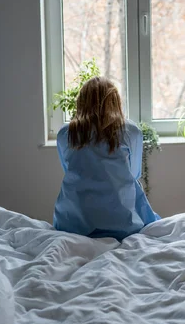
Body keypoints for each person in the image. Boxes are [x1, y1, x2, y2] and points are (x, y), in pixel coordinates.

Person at [53, 76, 160, 240]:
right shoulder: (130, 131)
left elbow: (68, 169)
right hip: (122, 224)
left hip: (73, 224)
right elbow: (134, 173)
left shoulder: (66, 133)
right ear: (114, 102)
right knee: (132, 189)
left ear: (81, 102)